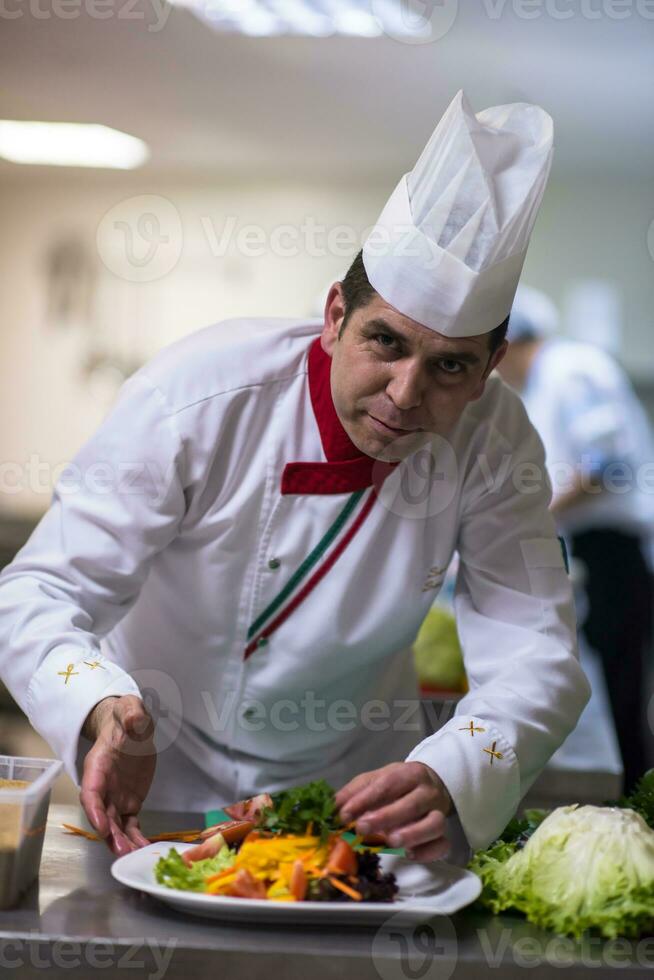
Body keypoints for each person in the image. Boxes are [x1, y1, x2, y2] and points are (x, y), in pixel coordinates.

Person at [0, 91, 590, 859]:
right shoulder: (197, 395)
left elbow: (534, 647)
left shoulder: (496, 440)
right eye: (386, 342)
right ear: (335, 314)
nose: (406, 394)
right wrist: (97, 702)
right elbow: (37, 592)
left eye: (450, 365)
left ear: (489, 369)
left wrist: (455, 768)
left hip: (352, 803)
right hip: (155, 784)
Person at [498, 285, 654, 792]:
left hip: (613, 548)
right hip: (590, 547)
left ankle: (637, 798)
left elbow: (604, 466)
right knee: (610, 686)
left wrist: (536, 516)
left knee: (622, 686)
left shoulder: (572, 369)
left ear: (514, 341)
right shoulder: (543, 383)